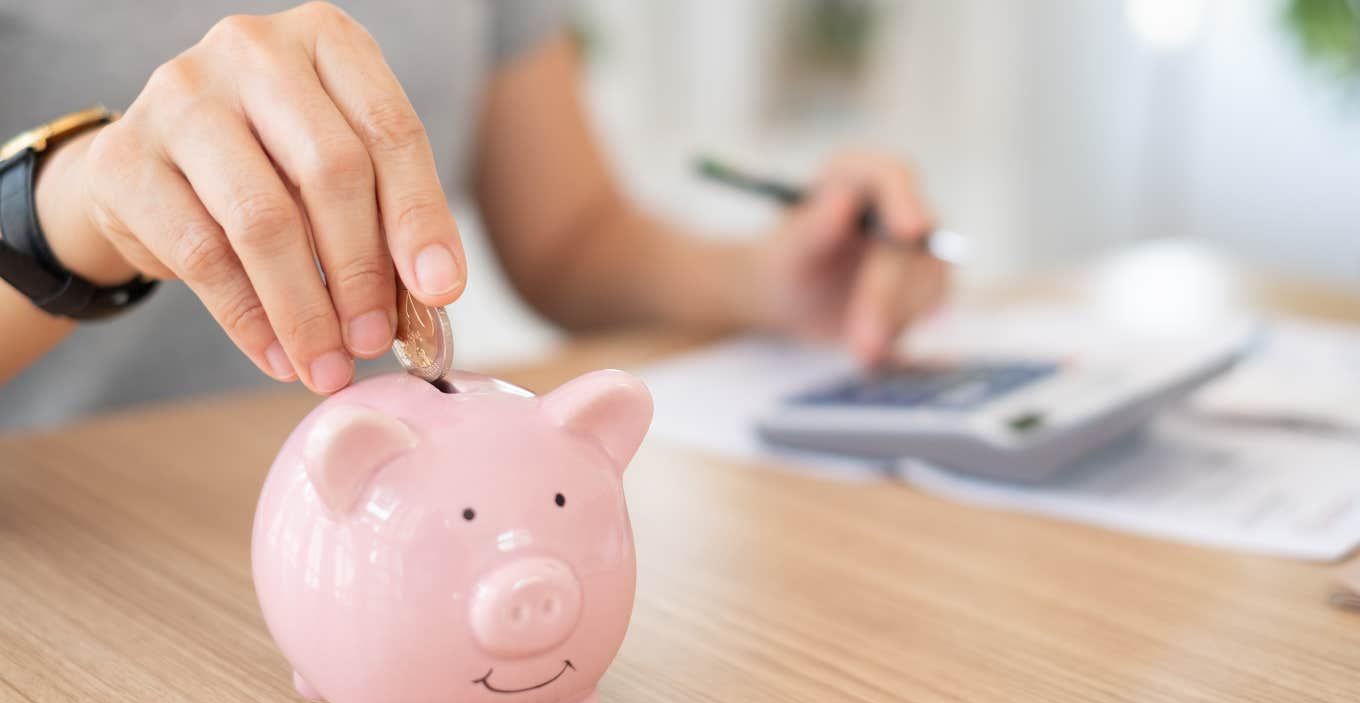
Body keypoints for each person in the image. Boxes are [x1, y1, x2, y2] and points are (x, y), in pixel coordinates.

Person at [0, 1, 947, 429]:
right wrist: (77, 212)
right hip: (66, 549)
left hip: (357, 512)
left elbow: (573, 238)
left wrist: (764, 277)